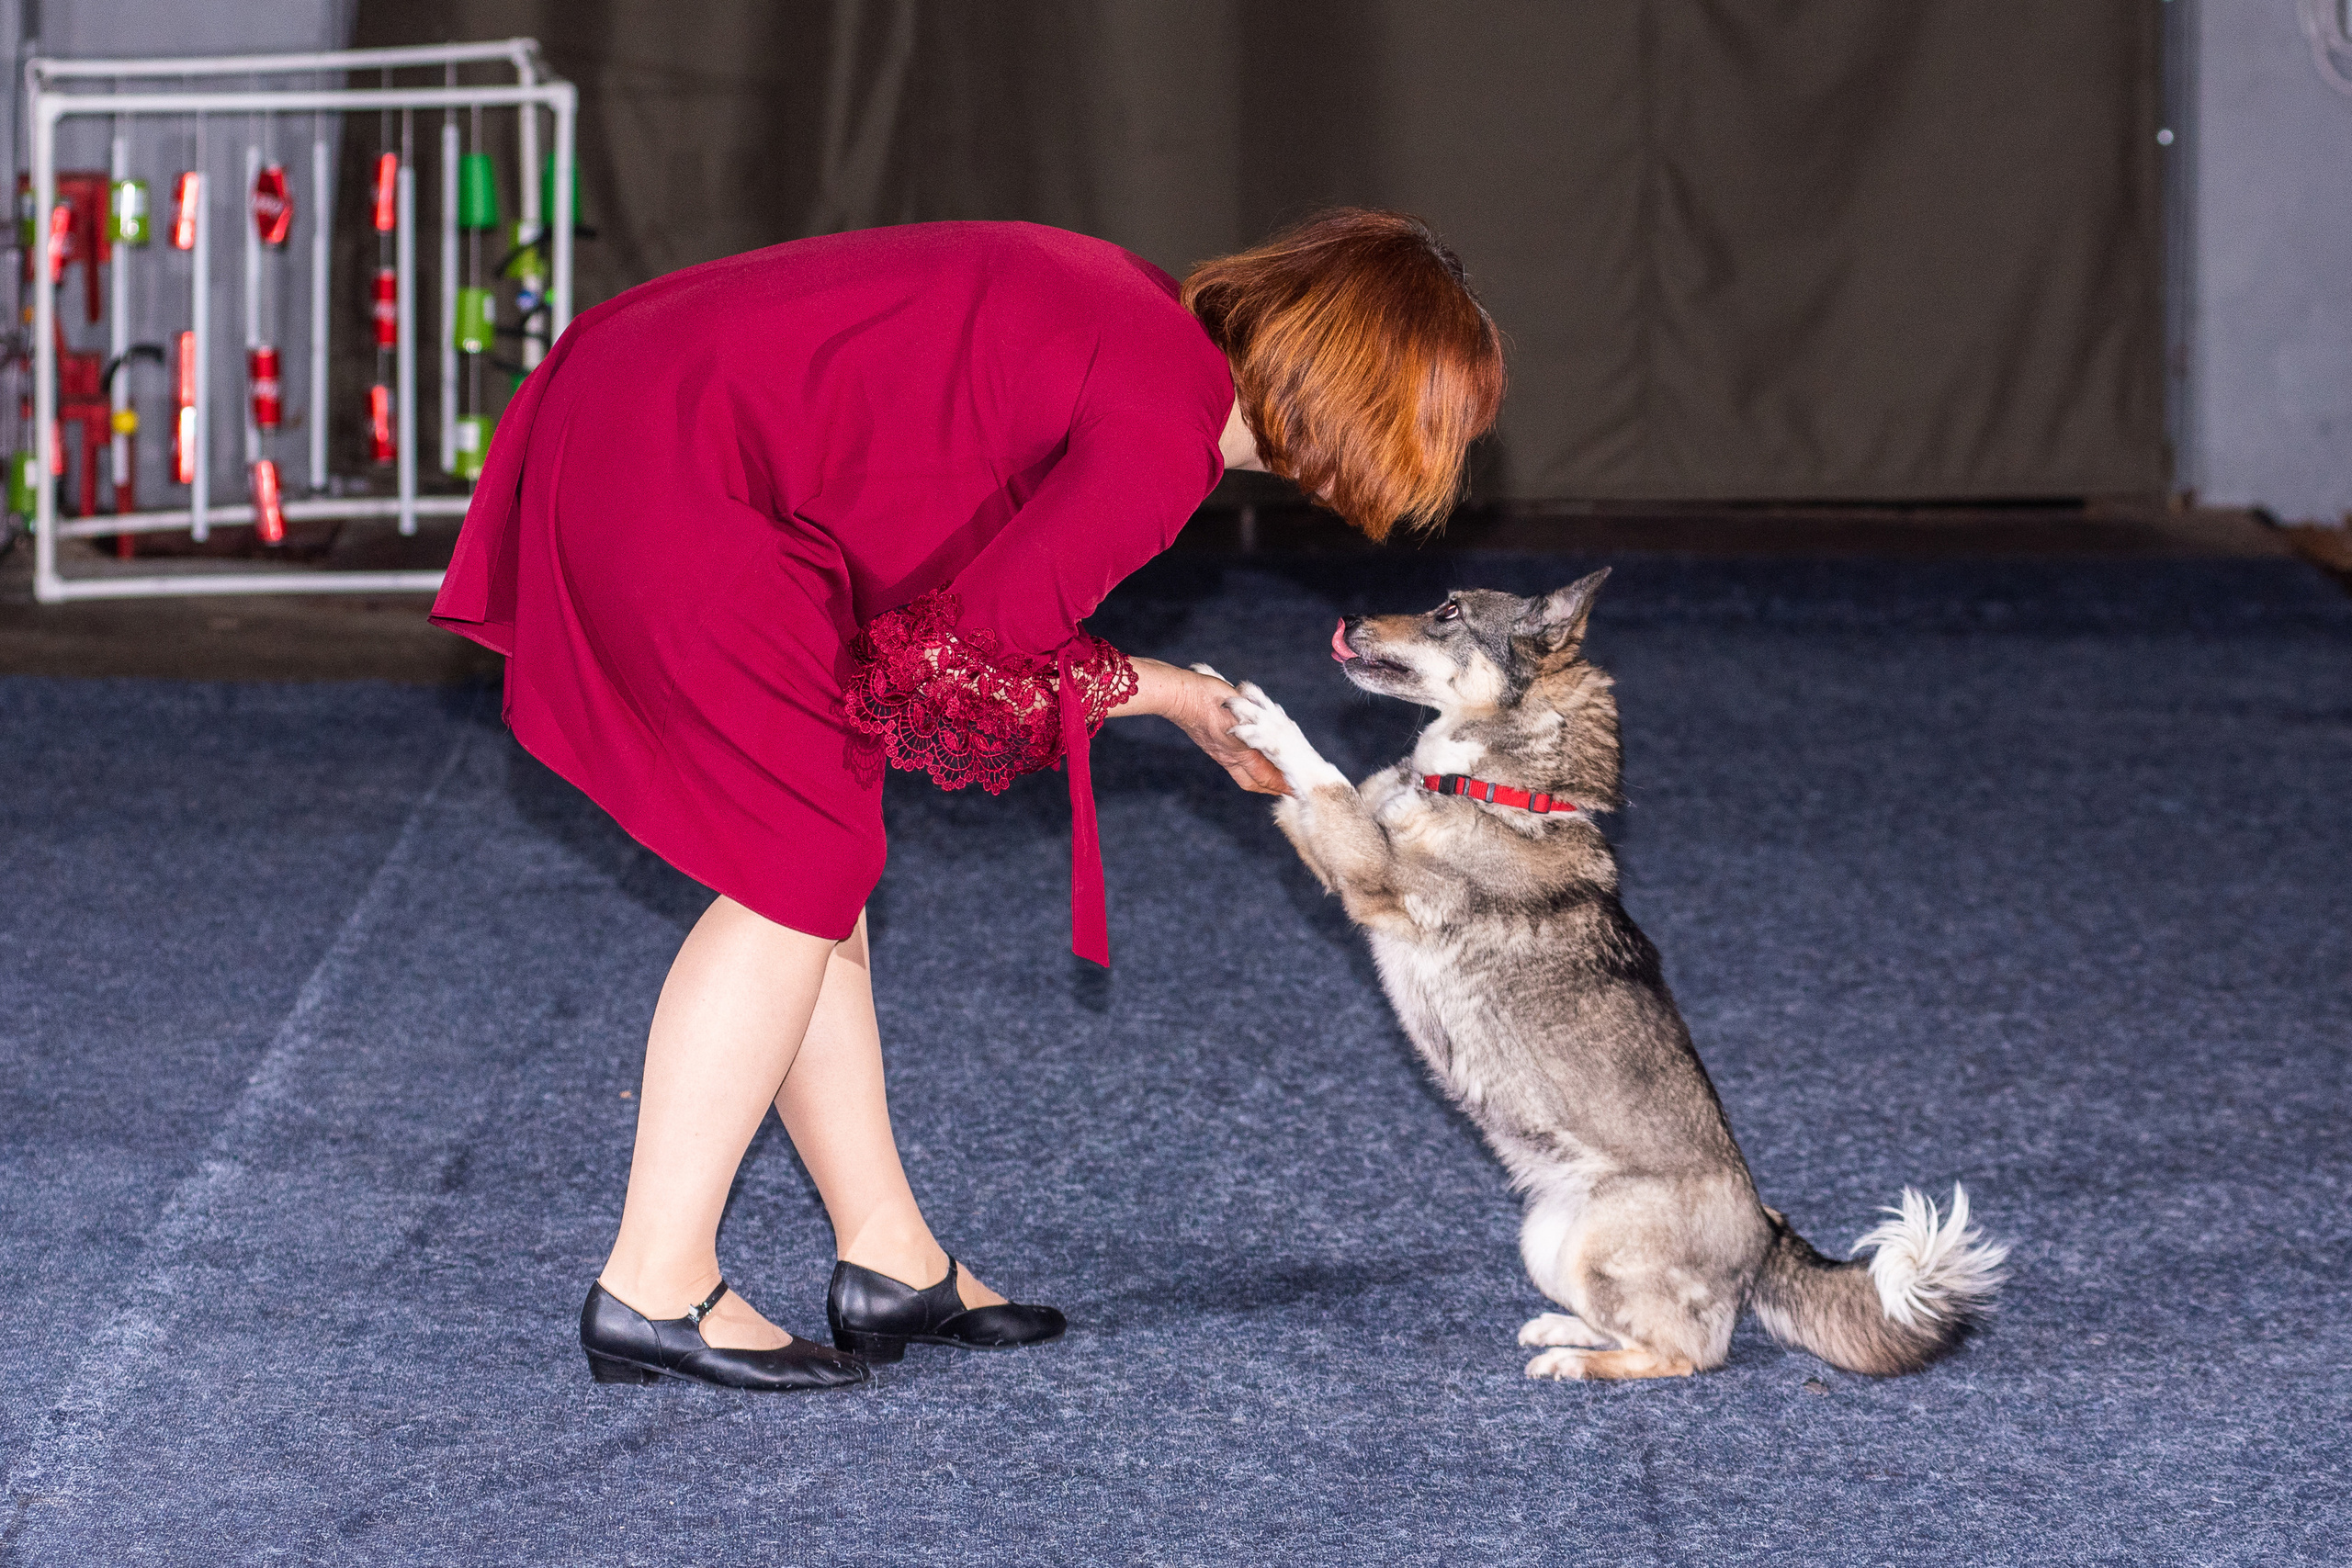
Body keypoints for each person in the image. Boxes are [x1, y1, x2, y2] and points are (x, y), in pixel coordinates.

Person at [430, 209, 1505, 1392]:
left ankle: (887, 1256)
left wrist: (1164, 691)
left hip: (650, 402)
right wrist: (1169, 693)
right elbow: (957, 673)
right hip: (678, 454)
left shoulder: (1152, 327)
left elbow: (942, 604)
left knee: (819, 846)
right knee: (800, 861)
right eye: (1436, 431)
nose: (1433, 470)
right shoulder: (1164, 429)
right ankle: (654, 1283)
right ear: (1366, 399)